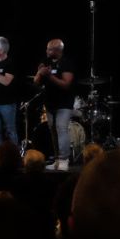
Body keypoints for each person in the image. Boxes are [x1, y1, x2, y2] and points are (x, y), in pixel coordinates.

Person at [33, 39, 75, 171]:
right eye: (47, 49)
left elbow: (66, 84)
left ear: (58, 50)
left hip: (64, 102)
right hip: (50, 102)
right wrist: (40, 73)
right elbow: (36, 82)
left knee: (61, 128)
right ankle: (57, 159)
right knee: (53, 130)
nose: (47, 51)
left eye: (50, 49)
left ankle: (64, 159)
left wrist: (50, 76)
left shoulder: (66, 63)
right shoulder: (45, 62)